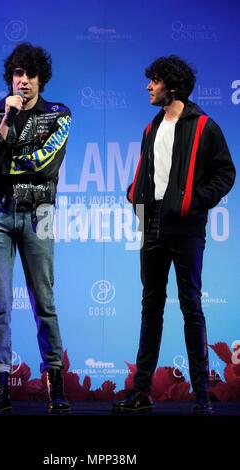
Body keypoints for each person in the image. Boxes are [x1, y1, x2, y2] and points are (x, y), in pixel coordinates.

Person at [113, 55, 236, 415]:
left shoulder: (203, 126)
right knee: (150, 307)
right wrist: (135, 192)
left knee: (191, 307)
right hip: (152, 226)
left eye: (154, 81)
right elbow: (149, 173)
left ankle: (201, 394)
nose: (148, 87)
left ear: (172, 86)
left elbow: (225, 172)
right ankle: (141, 393)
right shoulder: (151, 128)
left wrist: (194, 202)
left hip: (186, 229)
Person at [0, 43, 71, 414]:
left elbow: (44, 165)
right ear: (10, 79)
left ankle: (55, 383)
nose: (23, 81)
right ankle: (0, 385)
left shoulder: (59, 115)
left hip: (38, 214)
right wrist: (4, 124)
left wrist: (3, 166)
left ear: (41, 79)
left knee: (44, 301)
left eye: (29, 75)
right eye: (17, 75)